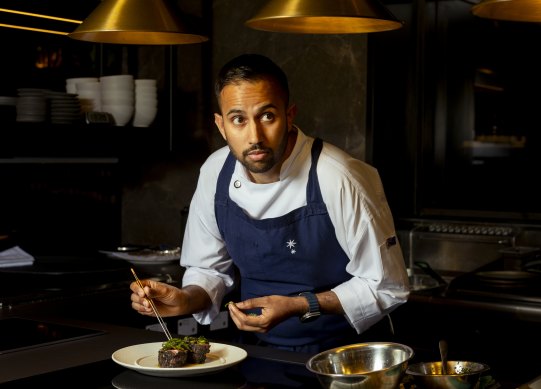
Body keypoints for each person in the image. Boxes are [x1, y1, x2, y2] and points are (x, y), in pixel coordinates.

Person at [130, 53, 410, 353]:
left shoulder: (339, 177)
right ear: (221, 125)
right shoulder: (215, 173)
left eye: (267, 116)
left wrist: (301, 305)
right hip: (257, 352)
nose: (255, 136)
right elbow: (209, 270)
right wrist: (185, 299)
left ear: (290, 115)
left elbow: (386, 285)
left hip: (346, 358)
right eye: (238, 120)